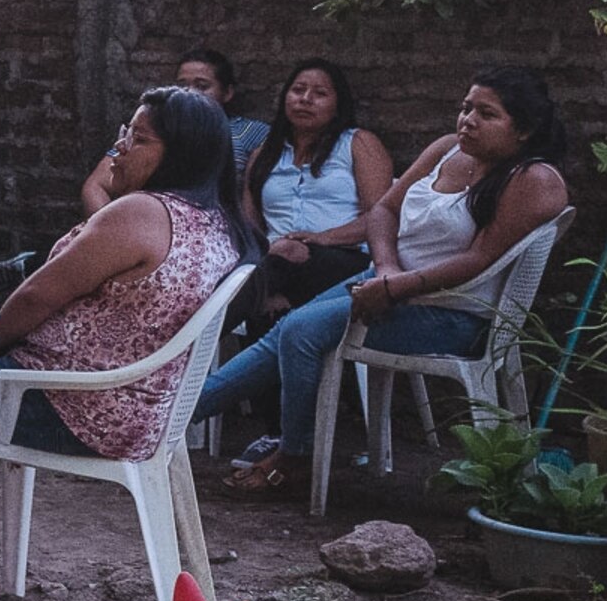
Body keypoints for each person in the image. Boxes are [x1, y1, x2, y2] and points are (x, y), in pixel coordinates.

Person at [0, 87, 248, 601]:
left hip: (70, 398)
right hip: (142, 405)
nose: (120, 148)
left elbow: (33, 299)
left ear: (181, 153)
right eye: (124, 133)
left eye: (139, 139)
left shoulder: (142, 214)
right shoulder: (217, 221)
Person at [208, 68, 571, 494]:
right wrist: (385, 270)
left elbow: (478, 259)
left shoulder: (533, 180)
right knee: (285, 332)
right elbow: (383, 212)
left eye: (486, 114)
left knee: (300, 331)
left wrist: (398, 287)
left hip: (450, 313)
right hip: (387, 281)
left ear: (524, 130)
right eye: (466, 107)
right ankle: (170, 417)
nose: (468, 120)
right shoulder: (447, 149)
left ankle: (294, 457)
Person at [240, 59, 392, 321]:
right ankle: (273, 300)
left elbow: (382, 216)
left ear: (337, 105)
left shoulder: (359, 144)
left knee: (286, 254)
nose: (306, 99)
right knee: (272, 294)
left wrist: (324, 238)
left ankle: (203, 328)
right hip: (274, 261)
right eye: (298, 90)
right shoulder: (263, 155)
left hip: (344, 258)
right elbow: (249, 222)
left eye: (320, 94)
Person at [82, 47, 266, 213]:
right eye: (182, 85)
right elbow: (96, 185)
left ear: (227, 92)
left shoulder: (251, 133)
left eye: (202, 86)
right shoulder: (156, 127)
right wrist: (112, 228)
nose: (190, 92)